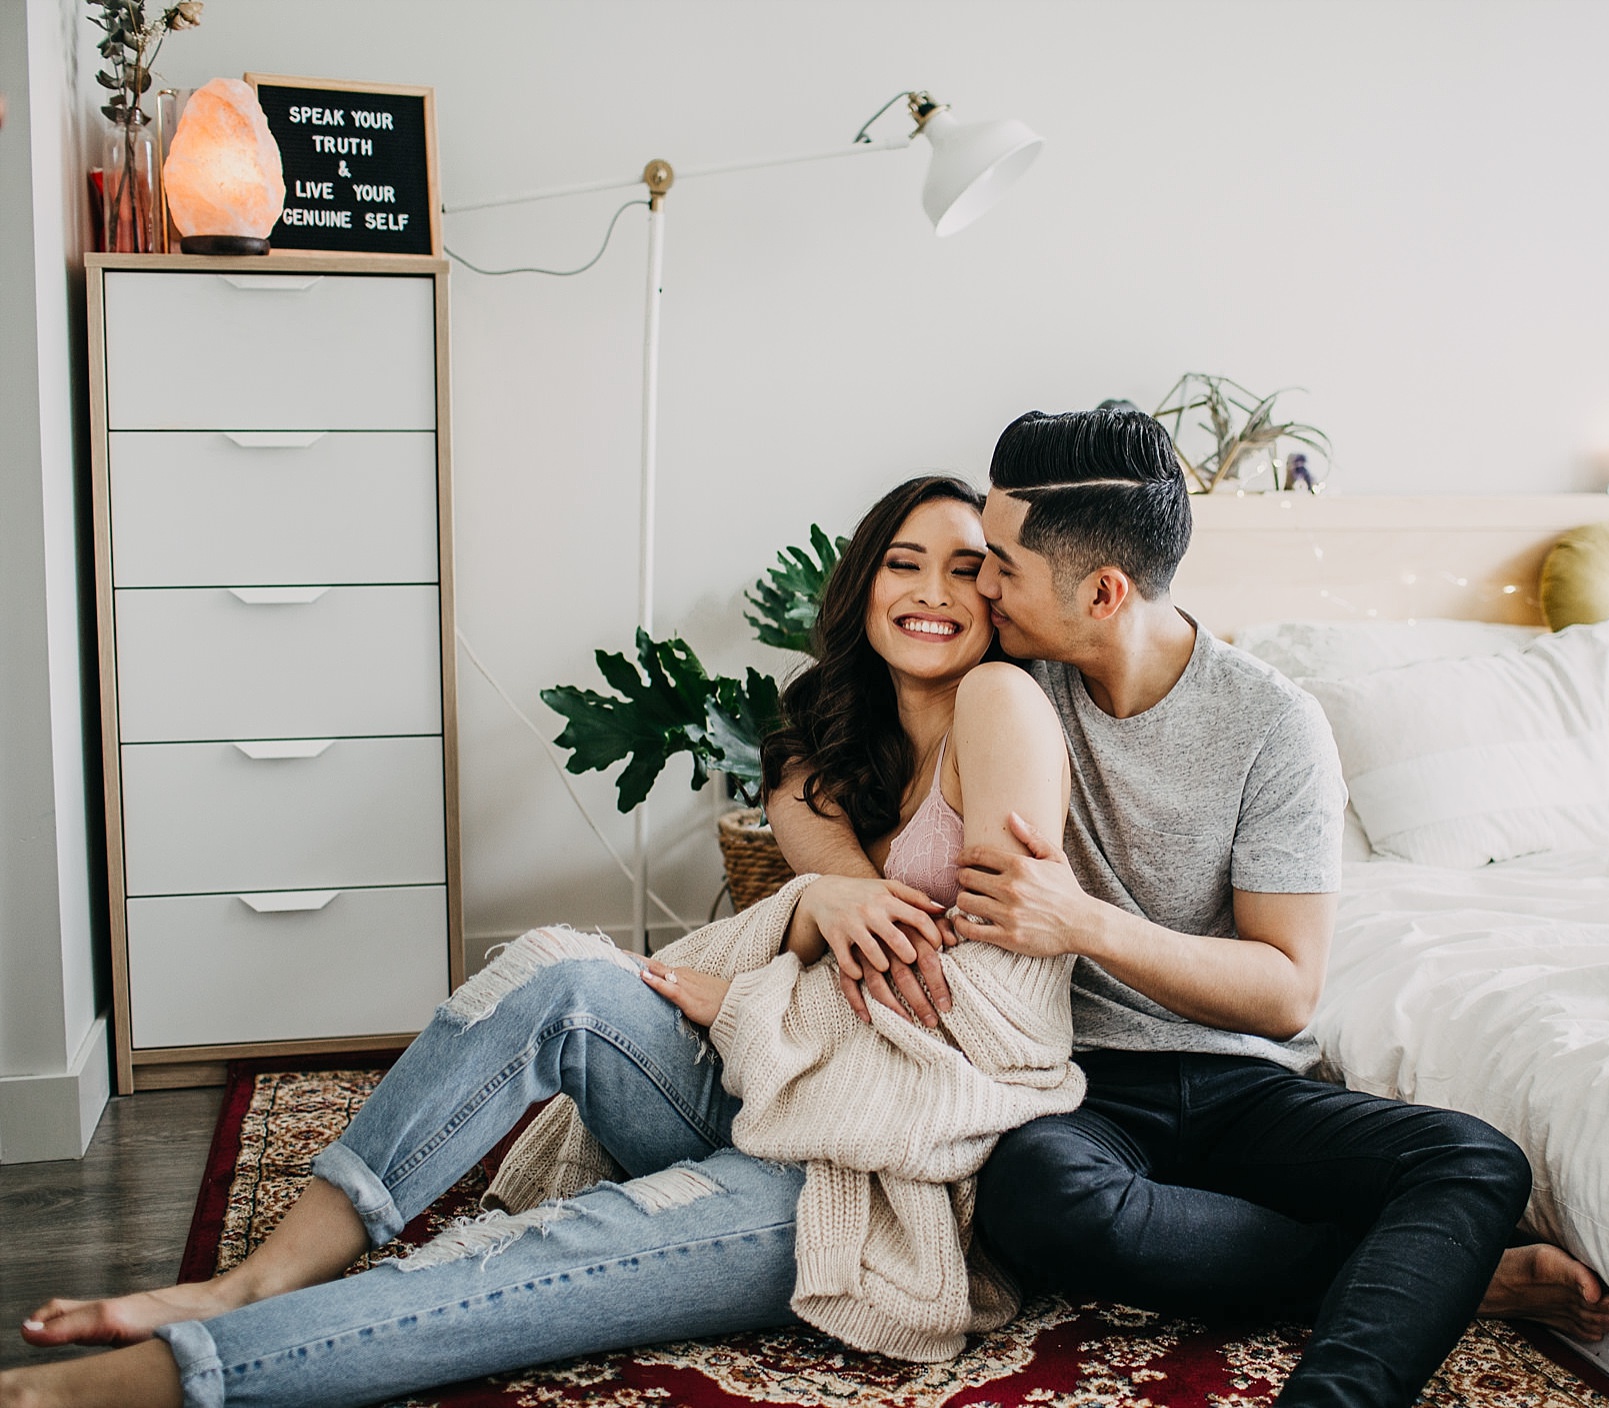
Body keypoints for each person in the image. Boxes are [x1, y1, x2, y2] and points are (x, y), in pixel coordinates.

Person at [4, 475, 1078, 1408]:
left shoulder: (997, 701)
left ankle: (182, 1374)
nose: (933, 592)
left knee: (535, 1260)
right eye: (903, 562)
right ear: (863, 585)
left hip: (874, 1178)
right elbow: (824, 878)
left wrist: (756, 996)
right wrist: (811, 908)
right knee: (562, 967)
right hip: (774, 1086)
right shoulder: (832, 739)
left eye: (964, 567)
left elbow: (989, 1002)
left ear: (997, 593)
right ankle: (260, 1275)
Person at [768, 409, 1609, 1408]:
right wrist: (834, 882)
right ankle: (1429, 1276)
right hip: (1075, 1087)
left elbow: (1285, 990)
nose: (975, 586)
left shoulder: (1274, 725)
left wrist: (1081, 921)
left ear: (1102, 591)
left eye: (995, 564)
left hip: (1239, 1086)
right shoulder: (1005, 679)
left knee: (1474, 1159)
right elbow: (822, 737)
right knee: (1039, 1204)